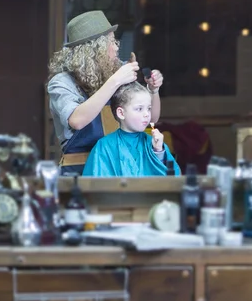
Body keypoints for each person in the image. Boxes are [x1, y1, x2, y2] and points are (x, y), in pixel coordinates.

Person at [48, 10, 163, 175]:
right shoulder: (61, 82)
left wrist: (153, 91)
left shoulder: (115, 72)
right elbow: (77, 120)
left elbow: (151, 119)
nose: (117, 47)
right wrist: (116, 81)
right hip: (79, 173)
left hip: (120, 168)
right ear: (96, 49)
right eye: (111, 41)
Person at [82, 82, 181, 177]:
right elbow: (95, 187)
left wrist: (158, 152)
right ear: (121, 113)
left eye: (149, 108)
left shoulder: (154, 144)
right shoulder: (104, 146)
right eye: (139, 109)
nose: (147, 114)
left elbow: (172, 180)